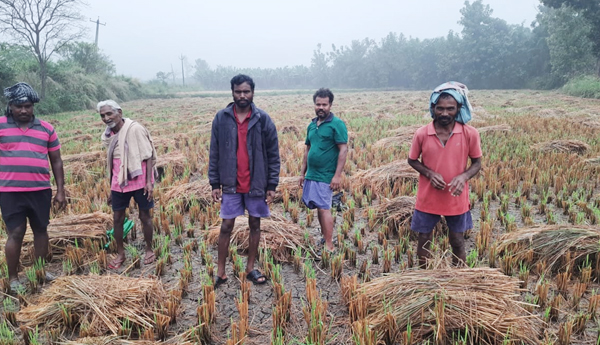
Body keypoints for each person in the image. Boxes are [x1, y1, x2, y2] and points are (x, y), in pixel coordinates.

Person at [209, 74, 280, 288]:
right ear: (232, 92)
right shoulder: (221, 118)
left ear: (253, 93)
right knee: (226, 226)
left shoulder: (263, 119)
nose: (242, 95)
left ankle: (250, 267)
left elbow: (273, 154)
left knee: (255, 224)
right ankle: (220, 272)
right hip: (231, 183)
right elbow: (214, 152)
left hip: (256, 182)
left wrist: (271, 185)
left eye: (246, 91)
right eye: (238, 91)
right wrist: (214, 183)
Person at [407, 81, 482, 267]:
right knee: (424, 238)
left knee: (457, 240)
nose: (445, 113)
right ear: (433, 108)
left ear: (458, 108)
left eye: (450, 108)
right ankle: (425, 277)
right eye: (440, 109)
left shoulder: (469, 134)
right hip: (427, 197)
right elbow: (412, 160)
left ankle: (458, 278)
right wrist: (429, 173)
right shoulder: (422, 134)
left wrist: (463, 177)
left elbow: (477, 163)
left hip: (456, 197)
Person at [1, 82, 66, 292]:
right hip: (10, 192)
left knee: (41, 229)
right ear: (10, 106)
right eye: (18, 106)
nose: (23, 110)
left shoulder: (46, 128)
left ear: (33, 106)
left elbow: (56, 160)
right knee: (16, 232)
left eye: (27, 106)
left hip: (40, 190)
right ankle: (13, 279)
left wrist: (60, 191)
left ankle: (40, 271)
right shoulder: (1, 125)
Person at [99, 100, 157, 269]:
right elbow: (113, 163)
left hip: (140, 180)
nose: (106, 118)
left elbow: (147, 155)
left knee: (145, 216)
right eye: (103, 115)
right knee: (117, 218)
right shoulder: (109, 135)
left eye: (109, 113)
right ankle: (121, 253)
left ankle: (149, 249)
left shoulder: (134, 129)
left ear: (120, 112)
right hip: (119, 182)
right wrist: (111, 187)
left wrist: (148, 182)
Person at [300, 88, 348, 252]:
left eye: (324, 104)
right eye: (318, 104)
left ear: (330, 105)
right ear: (314, 104)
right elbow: (307, 150)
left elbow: (343, 150)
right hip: (312, 174)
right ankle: (325, 237)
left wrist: (337, 176)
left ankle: (329, 245)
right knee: (319, 208)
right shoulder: (312, 126)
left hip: (326, 175)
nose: (321, 107)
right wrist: (302, 173)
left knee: (324, 207)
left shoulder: (337, 124)